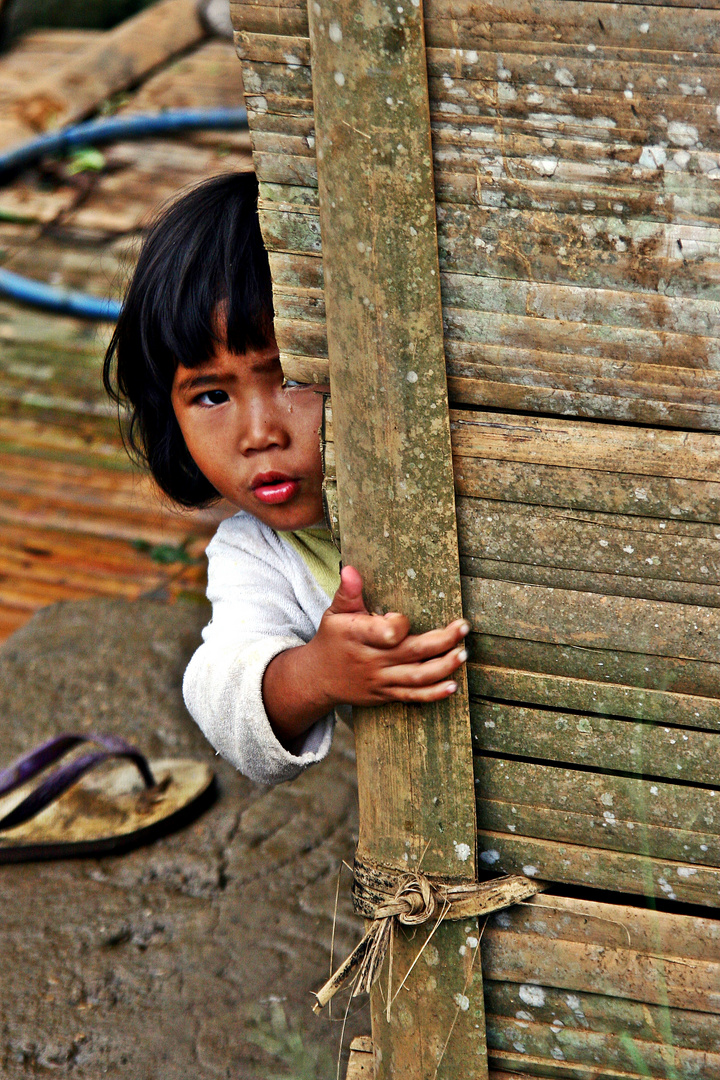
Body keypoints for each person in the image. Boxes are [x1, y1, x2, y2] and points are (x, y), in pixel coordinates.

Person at [104, 172, 470, 785]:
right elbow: (222, 689)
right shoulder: (260, 554)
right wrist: (317, 674)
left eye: (293, 379)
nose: (259, 434)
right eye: (213, 395)